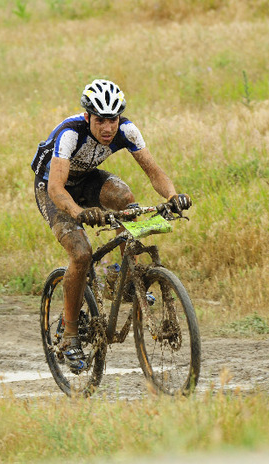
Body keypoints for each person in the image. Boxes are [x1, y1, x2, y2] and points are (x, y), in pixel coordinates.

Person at [31, 79, 191, 372]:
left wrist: (172, 196)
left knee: (126, 200)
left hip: (88, 179)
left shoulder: (127, 130)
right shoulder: (69, 134)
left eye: (113, 120)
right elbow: (56, 188)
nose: (108, 128)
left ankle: (121, 276)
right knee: (80, 253)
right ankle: (69, 336)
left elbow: (153, 171)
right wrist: (79, 213)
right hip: (54, 188)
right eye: (101, 120)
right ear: (88, 117)